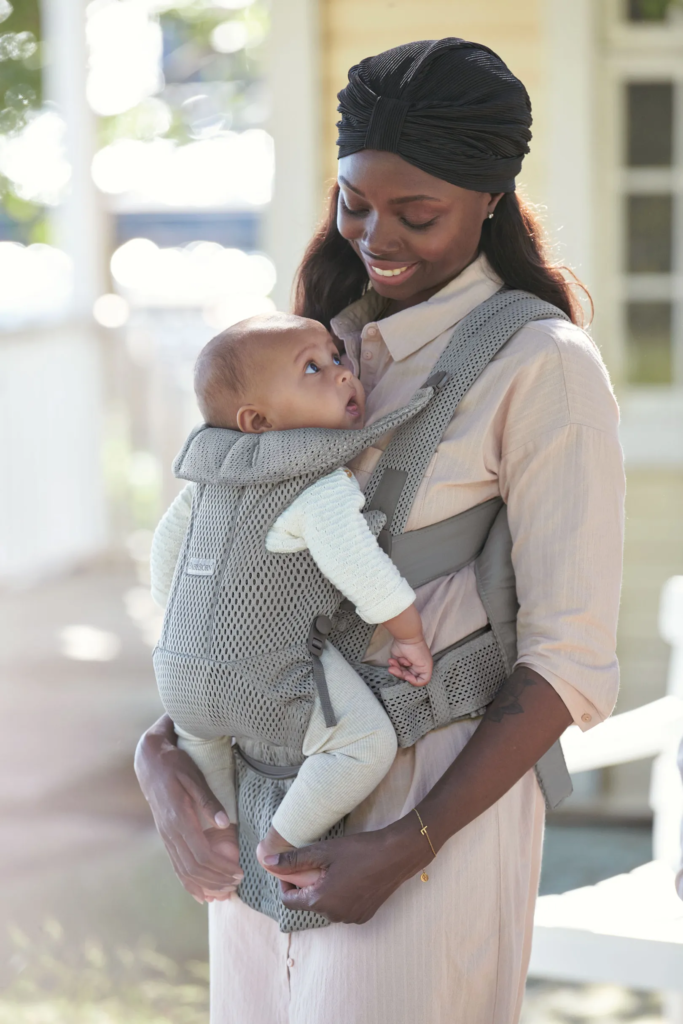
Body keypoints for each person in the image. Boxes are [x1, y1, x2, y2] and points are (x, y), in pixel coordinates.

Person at [135, 38, 624, 1023]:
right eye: (353, 202)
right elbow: (214, 572)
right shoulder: (307, 350)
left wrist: (408, 843)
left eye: (417, 213)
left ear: (488, 198)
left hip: (422, 811)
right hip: (264, 793)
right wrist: (162, 767)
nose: (375, 236)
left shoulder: (541, 365)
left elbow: (567, 661)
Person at [150, 312, 433, 887]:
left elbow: (167, 553)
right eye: (313, 368)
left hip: (180, 677)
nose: (343, 375)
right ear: (257, 421)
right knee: (364, 744)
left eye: (336, 357)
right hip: (261, 674)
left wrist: (182, 624)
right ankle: (279, 844)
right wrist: (408, 635)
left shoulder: (210, 480)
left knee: (209, 765)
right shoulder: (317, 484)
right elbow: (363, 571)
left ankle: (221, 850)